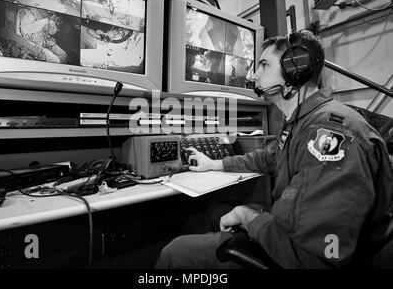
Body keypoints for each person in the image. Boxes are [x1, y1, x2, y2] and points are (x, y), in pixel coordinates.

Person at [156, 30, 393, 269]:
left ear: (294, 71)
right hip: (292, 231)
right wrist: (214, 164)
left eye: (264, 65)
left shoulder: (328, 135)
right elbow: (267, 158)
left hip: (297, 256)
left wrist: (246, 216)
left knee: (173, 253)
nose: (254, 74)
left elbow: (315, 259)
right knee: (215, 211)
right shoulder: (302, 121)